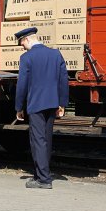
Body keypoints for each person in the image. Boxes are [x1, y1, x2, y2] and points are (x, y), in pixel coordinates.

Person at [14, 27, 69, 189]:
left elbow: (21, 85)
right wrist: (62, 103)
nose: (22, 47)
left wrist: (19, 107)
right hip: (52, 103)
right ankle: (41, 173)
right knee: (46, 139)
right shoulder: (55, 54)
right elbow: (63, 80)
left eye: (22, 43)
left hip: (36, 104)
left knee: (37, 140)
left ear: (28, 39)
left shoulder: (26, 58)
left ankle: (43, 180)